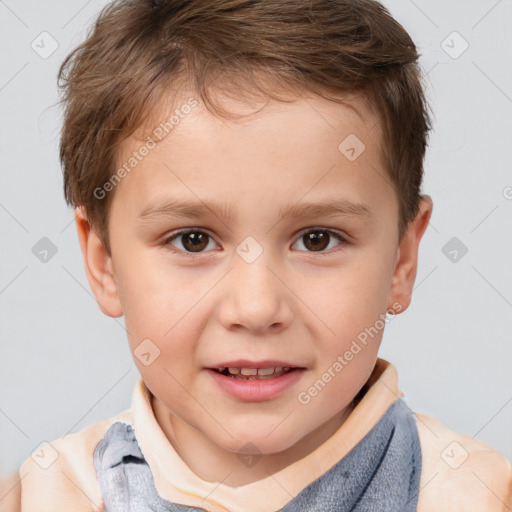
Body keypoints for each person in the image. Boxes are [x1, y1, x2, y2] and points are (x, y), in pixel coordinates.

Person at [9, 0, 512, 510]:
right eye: (193, 240)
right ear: (104, 263)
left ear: (402, 261)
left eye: (317, 239)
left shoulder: (481, 496)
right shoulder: (42, 497)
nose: (255, 309)